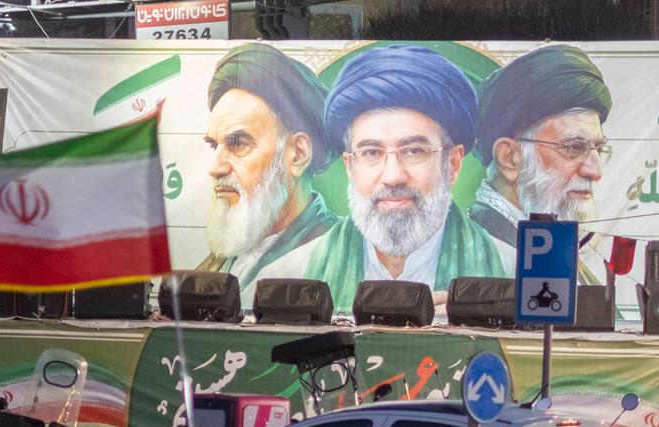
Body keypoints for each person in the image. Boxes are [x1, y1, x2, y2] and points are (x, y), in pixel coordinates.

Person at [268, 44, 514, 314]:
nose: (393, 176)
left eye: (414, 151)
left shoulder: (511, 280)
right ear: (350, 167)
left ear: (452, 164)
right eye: (371, 152)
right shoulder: (291, 278)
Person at [194, 44, 338, 285]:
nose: (215, 167)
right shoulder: (231, 251)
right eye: (214, 145)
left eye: (237, 144)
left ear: (297, 154)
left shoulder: (339, 257)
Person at [469, 44, 614, 244]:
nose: (596, 171)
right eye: (574, 147)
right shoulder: (479, 250)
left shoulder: (537, 245)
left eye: (598, 148)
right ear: (509, 159)